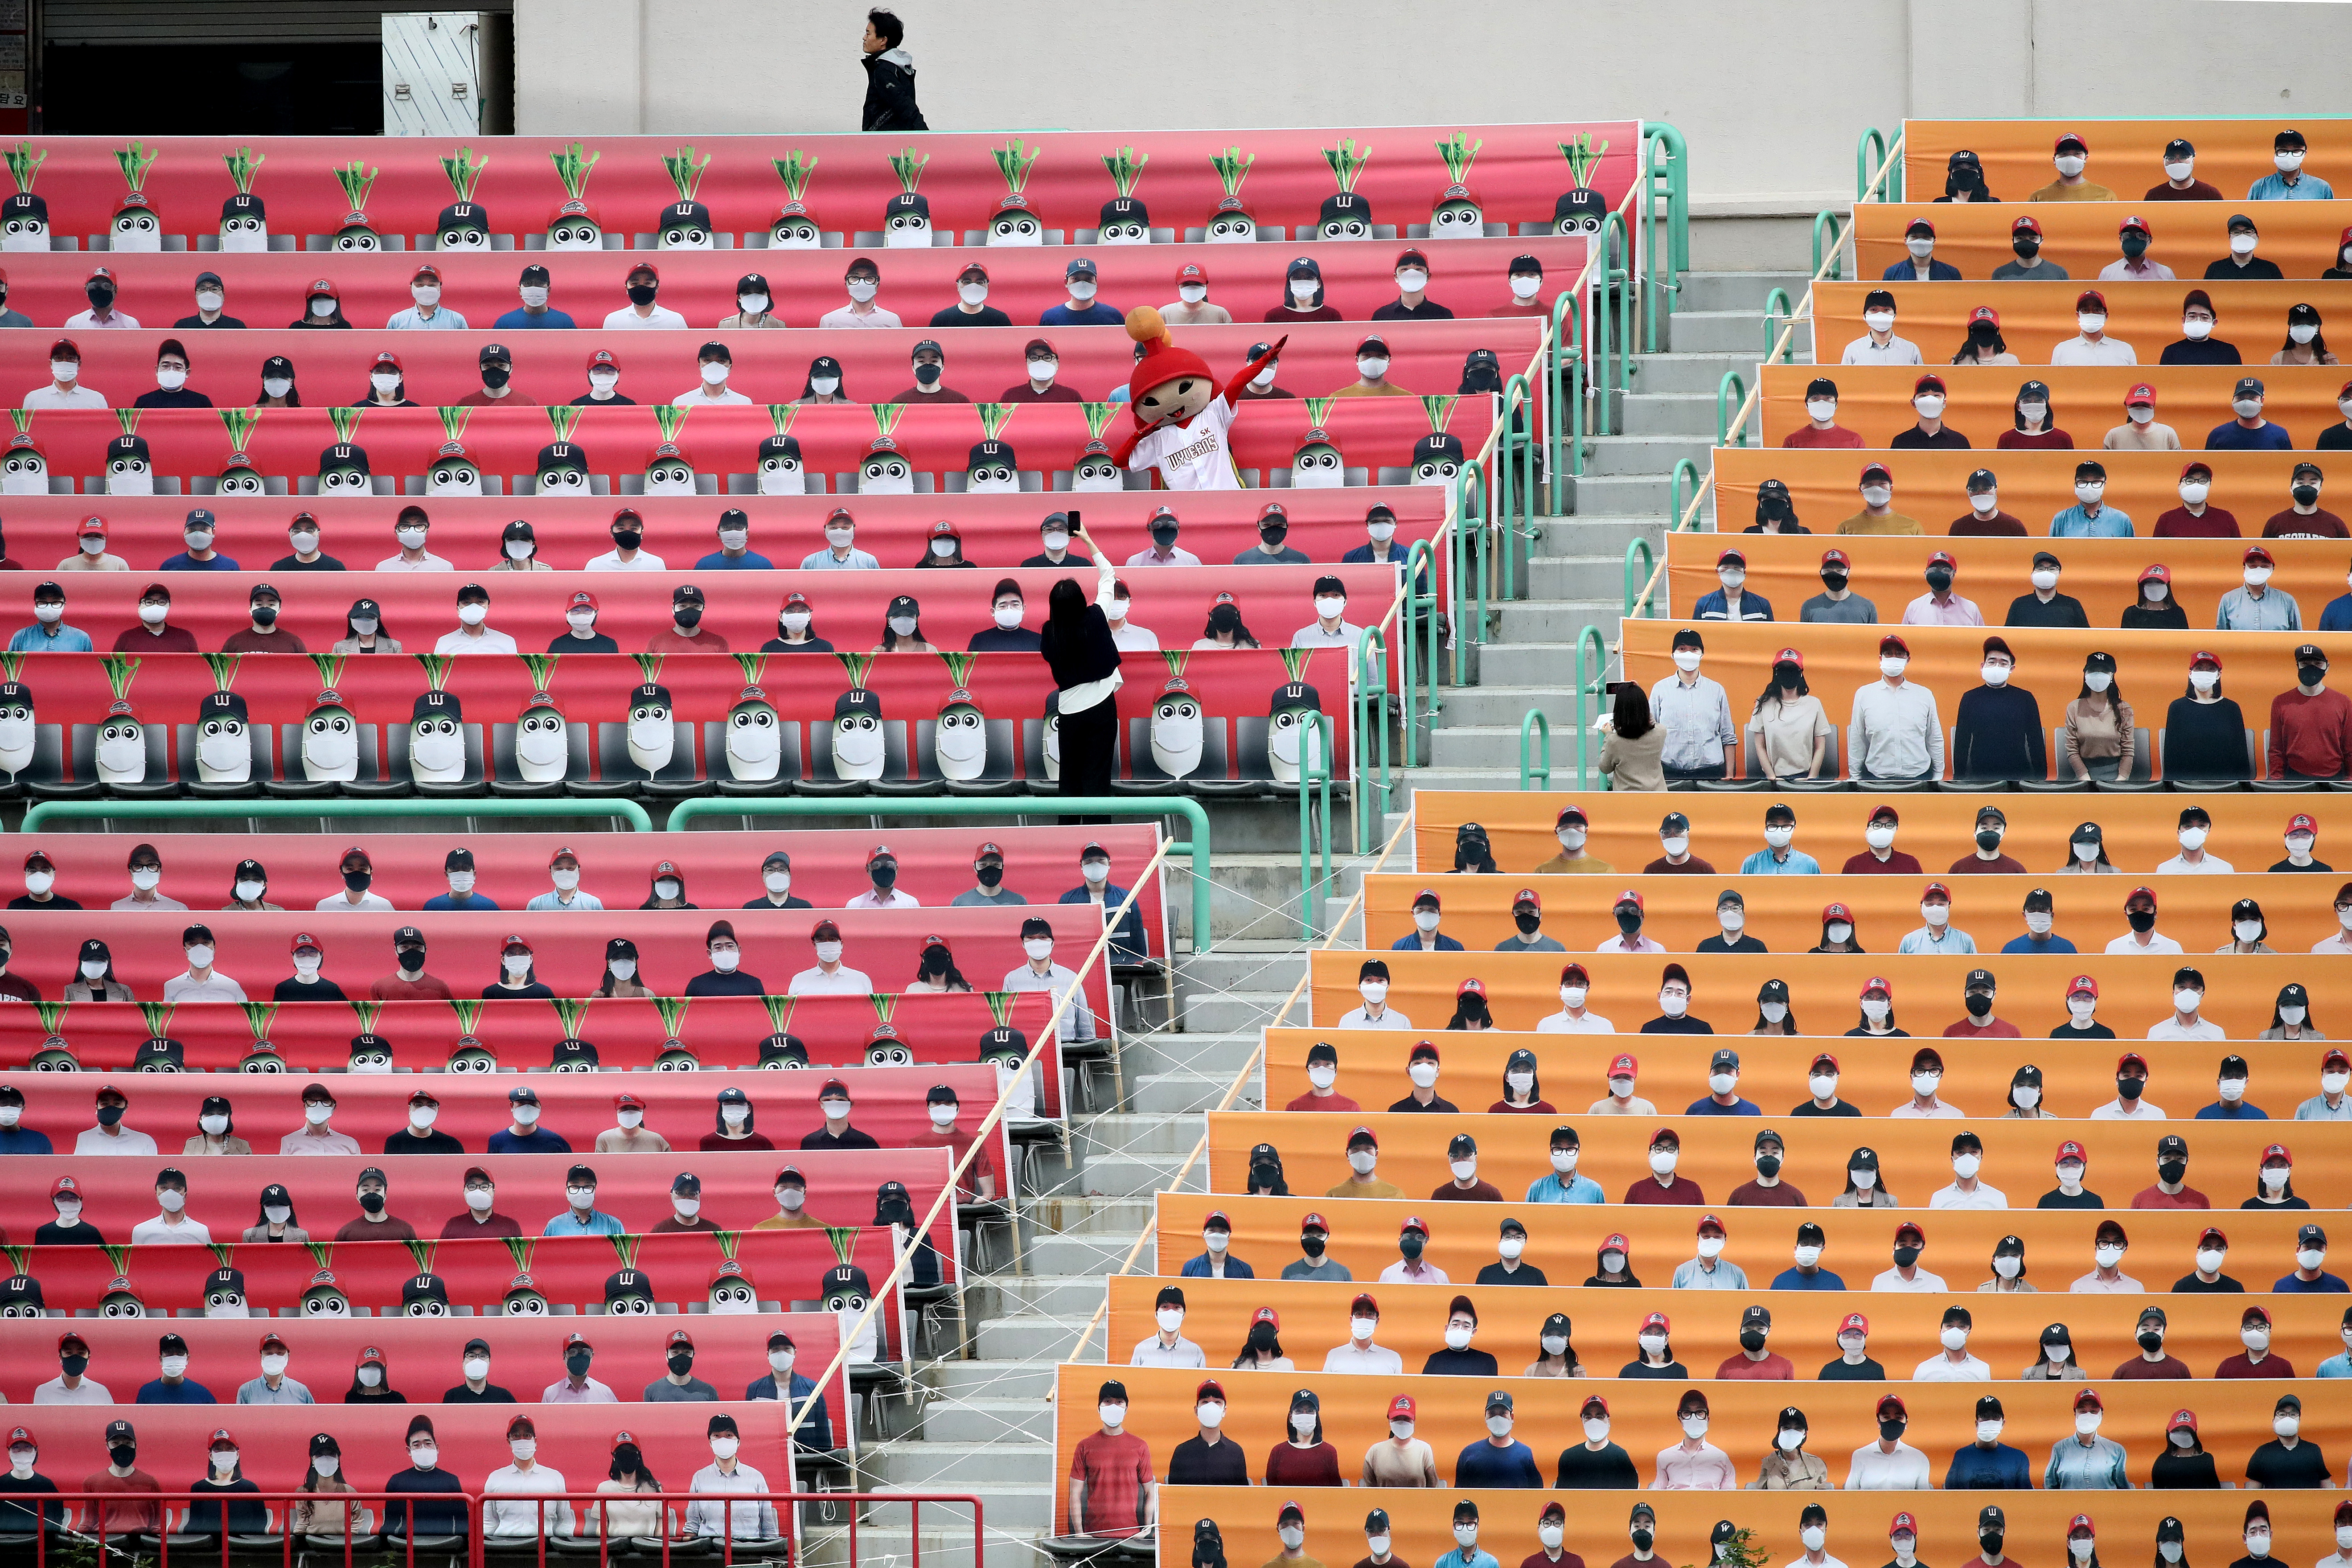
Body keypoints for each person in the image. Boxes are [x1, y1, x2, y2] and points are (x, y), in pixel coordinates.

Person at [1850, 634, 1942, 781]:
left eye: (1899, 654)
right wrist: (1854, 777)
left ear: (1908, 660)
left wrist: (1938, 776)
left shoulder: (1924, 695)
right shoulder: (1864, 694)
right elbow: (1857, 738)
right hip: (1877, 778)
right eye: (1888, 654)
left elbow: (1934, 737)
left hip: (1920, 778)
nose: (1894, 658)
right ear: (1881, 659)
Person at [858, 8, 925, 130]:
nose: (864, 38)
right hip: (896, 142)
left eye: (868, 34)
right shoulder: (898, 66)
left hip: (884, 143)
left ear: (883, 41)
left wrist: (926, 137)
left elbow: (904, 105)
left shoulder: (884, 70)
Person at [1596, 682, 1664, 792]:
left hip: (1626, 799)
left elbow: (1605, 768)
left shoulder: (1614, 741)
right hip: (1658, 796)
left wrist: (1608, 735)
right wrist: (1639, 695)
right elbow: (1650, 720)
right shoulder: (1660, 732)